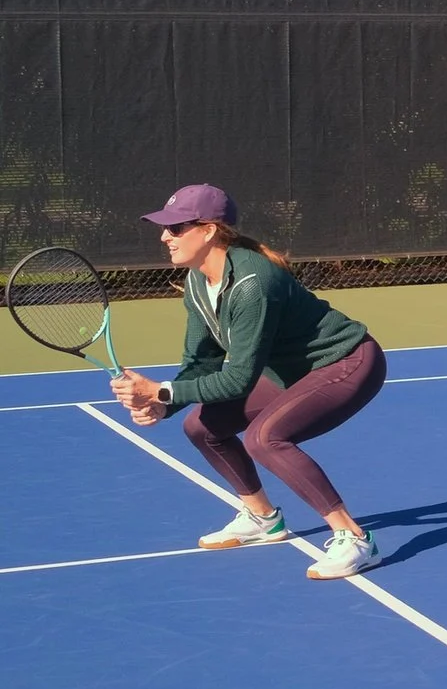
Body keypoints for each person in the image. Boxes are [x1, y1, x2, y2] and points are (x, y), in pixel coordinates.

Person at [109, 185, 389, 580]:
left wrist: (160, 389)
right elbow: (201, 361)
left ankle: (356, 539)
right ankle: (263, 518)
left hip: (347, 361)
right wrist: (165, 403)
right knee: (201, 426)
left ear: (207, 231)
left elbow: (238, 379)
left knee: (265, 438)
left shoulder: (253, 284)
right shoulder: (196, 282)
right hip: (291, 371)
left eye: (175, 228)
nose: (164, 237)